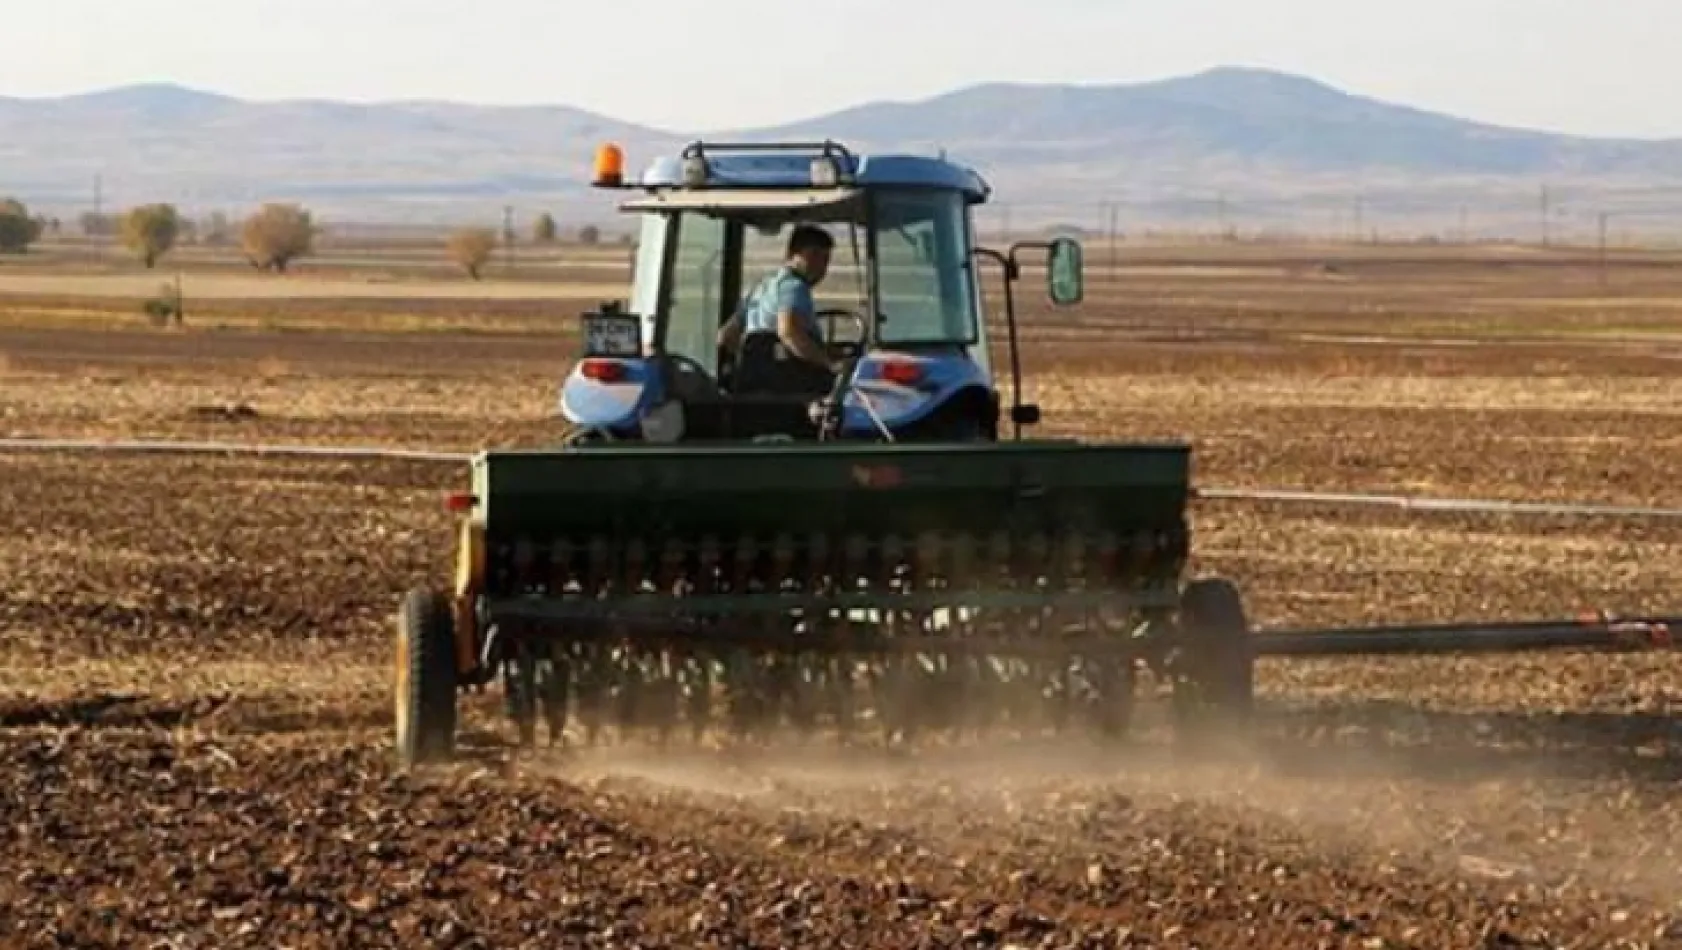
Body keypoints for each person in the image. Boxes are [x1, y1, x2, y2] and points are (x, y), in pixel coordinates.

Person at [718, 224, 838, 395]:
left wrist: (751, 362)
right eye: (813, 255)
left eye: (825, 259)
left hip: (751, 386)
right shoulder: (794, 287)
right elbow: (789, 332)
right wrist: (828, 363)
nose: (820, 265)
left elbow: (726, 336)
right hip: (789, 389)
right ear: (791, 254)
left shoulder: (761, 287)